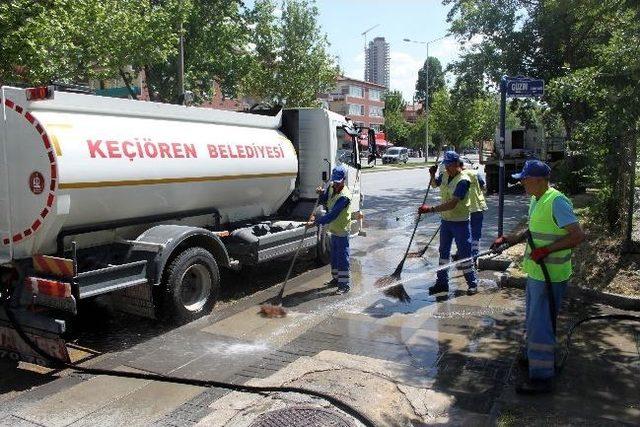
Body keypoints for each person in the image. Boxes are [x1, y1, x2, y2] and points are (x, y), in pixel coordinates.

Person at [491, 159, 585, 394]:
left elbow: (577, 235)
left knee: (540, 324)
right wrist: (509, 239)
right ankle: (534, 357)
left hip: (550, 275)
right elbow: (532, 231)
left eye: (525, 179)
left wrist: (547, 250)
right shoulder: (536, 199)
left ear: (540, 180)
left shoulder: (557, 201)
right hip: (537, 275)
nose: (522, 183)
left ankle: (542, 378)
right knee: (536, 320)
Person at [418, 151, 478, 296]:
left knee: (464, 254)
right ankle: (442, 283)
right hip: (446, 222)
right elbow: (433, 185)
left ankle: (472, 283)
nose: (447, 168)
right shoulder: (445, 175)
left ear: (457, 164)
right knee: (443, 253)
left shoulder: (463, 181)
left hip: (460, 223)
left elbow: (452, 204)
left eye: (450, 165)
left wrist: (431, 209)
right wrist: (432, 175)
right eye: (446, 165)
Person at [309, 165, 352, 294]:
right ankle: (336, 279)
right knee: (333, 256)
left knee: (342, 257)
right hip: (333, 229)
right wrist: (321, 193)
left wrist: (316, 222)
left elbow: (332, 215)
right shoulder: (332, 188)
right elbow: (325, 201)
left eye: (339, 182)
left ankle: (344, 285)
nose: (336, 185)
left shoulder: (345, 196)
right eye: (335, 182)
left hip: (342, 229)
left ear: (343, 180)